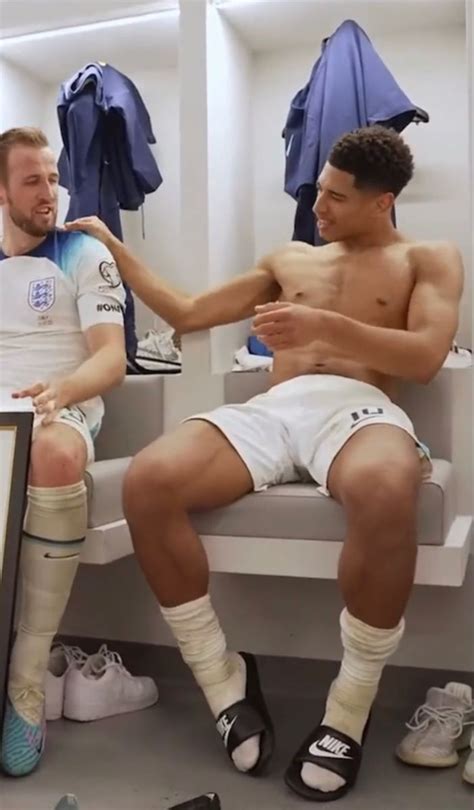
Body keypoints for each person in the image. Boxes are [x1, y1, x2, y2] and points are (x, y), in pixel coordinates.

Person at [66, 126, 464, 802]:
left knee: (388, 483)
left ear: (383, 202)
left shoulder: (430, 256)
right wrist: (111, 248)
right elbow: (187, 313)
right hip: (275, 409)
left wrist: (326, 329)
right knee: (150, 479)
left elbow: (425, 356)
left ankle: (346, 711)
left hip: (358, 408)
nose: (319, 209)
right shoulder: (290, 259)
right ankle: (223, 682)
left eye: (337, 198)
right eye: (319, 193)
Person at [0, 127, 127, 777]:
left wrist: (62, 390)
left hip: (64, 406)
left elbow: (111, 358)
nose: (49, 191)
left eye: (52, 177)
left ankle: (25, 684)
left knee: (50, 452)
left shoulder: (83, 251)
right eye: (31, 180)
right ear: (1, 190)